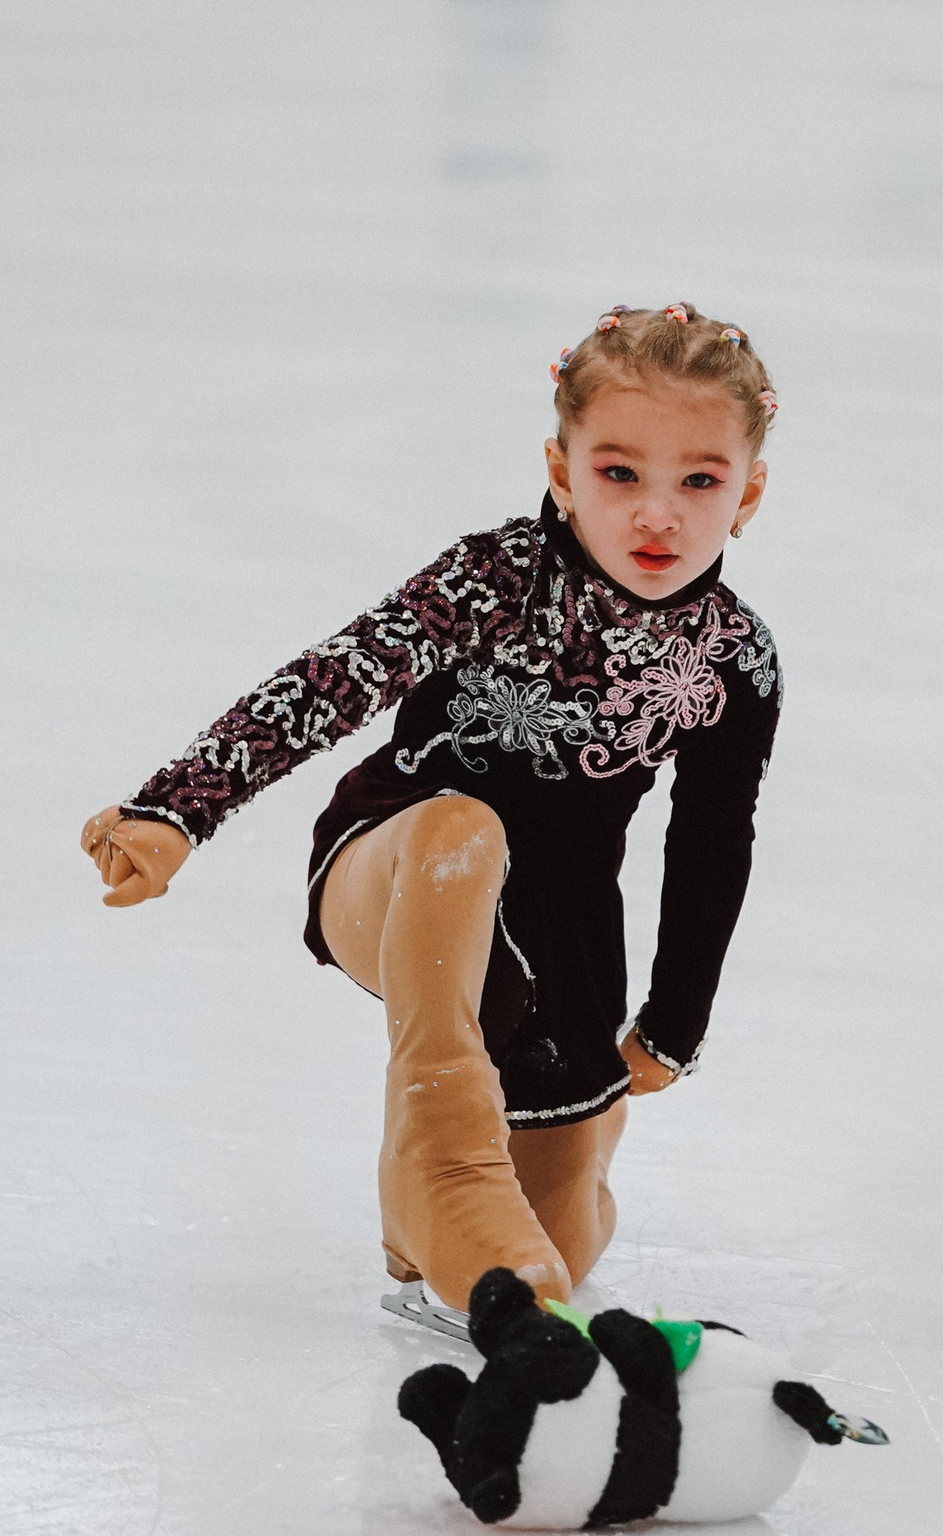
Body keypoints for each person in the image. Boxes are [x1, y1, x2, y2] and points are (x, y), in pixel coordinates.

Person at [79, 302, 783, 1317]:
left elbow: (714, 841)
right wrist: (177, 809)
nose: (657, 515)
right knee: (466, 832)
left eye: (699, 480)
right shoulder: (497, 578)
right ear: (561, 471)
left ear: (747, 491)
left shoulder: (733, 659)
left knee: (558, 1252)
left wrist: (671, 1024)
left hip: (558, 939)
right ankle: (443, 1153)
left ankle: (506, 1171)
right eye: (619, 474)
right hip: (400, 860)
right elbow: (333, 679)